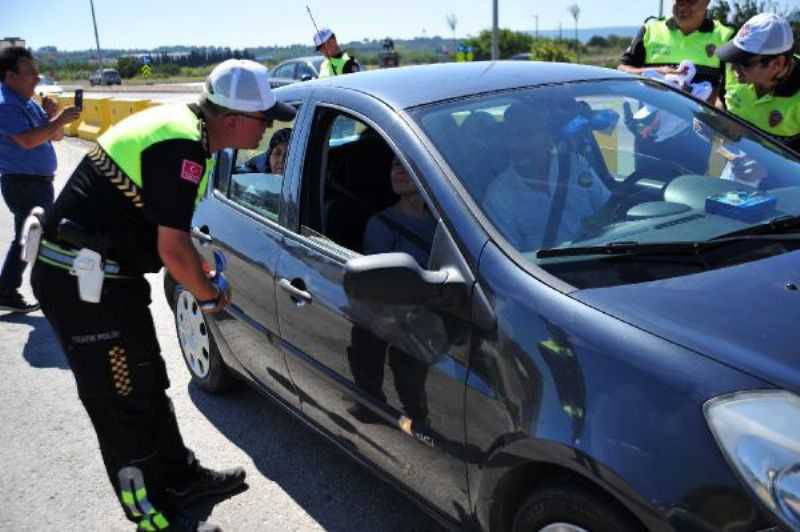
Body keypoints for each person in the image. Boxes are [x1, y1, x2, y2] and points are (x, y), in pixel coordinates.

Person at [30, 59, 296, 532]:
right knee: (121, 401)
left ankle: (181, 478)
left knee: (147, 380)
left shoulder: (190, 133)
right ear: (233, 119)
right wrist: (210, 296)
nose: (269, 128)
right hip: (81, 285)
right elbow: (171, 250)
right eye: (265, 119)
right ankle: (153, 517)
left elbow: (170, 227)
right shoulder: (183, 146)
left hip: (107, 277)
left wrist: (200, 266)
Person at [348, 155, 437, 427]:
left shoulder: (442, 224)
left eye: (406, 164)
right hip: (401, 319)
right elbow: (380, 287)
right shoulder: (381, 225)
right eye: (394, 164)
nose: (398, 171)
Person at [0, 46, 80, 312]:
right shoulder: (6, 105)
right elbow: (28, 141)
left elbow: (54, 137)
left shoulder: (27, 102)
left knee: (30, 236)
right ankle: (17, 290)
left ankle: (8, 289)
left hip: (35, 183)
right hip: (23, 183)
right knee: (36, 236)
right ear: (10, 76)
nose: (36, 77)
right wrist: (58, 120)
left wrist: (52, 117)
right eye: (30, 72)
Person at [481, 103, 611, 251]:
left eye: (526, 135)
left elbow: (607, 209)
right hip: (546, 272)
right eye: (511, 137)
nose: (516, 145)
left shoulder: (575, 165)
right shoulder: (498, 196)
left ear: (548, 137)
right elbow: (509, 258)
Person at [618, 0, 734, 101]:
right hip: (653, 124)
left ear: (707, 2)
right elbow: (622, 70)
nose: (682, 6)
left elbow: (731, 93)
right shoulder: (650, 29)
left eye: (690, 1)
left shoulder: (724, 36)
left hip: (702, 124)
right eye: (678, 0)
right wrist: (657, 71)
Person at [717, 13, 800, 152]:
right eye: (733, 58)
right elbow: (722, 102)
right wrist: (715, 122)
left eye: (743, 62)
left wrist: (769, 169)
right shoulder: (736, 73)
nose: (732, 68)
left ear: (777, 64)